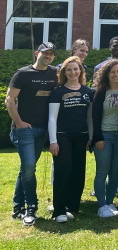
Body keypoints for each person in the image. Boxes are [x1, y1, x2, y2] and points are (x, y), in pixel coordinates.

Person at [7, 42, 58, 226]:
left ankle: (17, 207)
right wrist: (19, 123)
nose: (48, 56)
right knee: (29, 167)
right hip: (24, 130)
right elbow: (9, 99)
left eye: (52, 54)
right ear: (37, 53)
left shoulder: (54, 73)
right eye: (45, 53)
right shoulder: (23, 74)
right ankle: (31, 207)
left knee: (26, 169)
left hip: (42, 129)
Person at [48, 56, 93, 223]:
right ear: (64, 72)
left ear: (80, 71)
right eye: (69, 69)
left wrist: (91, 136)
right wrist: (53, 141)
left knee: (78, 172)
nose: (73, 72)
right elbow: (52, 118)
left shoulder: (88, 92)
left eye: (76, 69)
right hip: (62, 137)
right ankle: (59, 210)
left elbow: (90, 118)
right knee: (63, 171)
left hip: (81, 137)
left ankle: (72, 206)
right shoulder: (58, 92)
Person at [91, 59, 118, 218]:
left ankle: (110, 202)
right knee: (102, 171)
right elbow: (95, 116)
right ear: (106, 74)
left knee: (115, 172)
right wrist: (98, 137)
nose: (116, 74)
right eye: (113, 72)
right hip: (104, 136)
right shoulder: (100, 92)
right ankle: (101, 206)